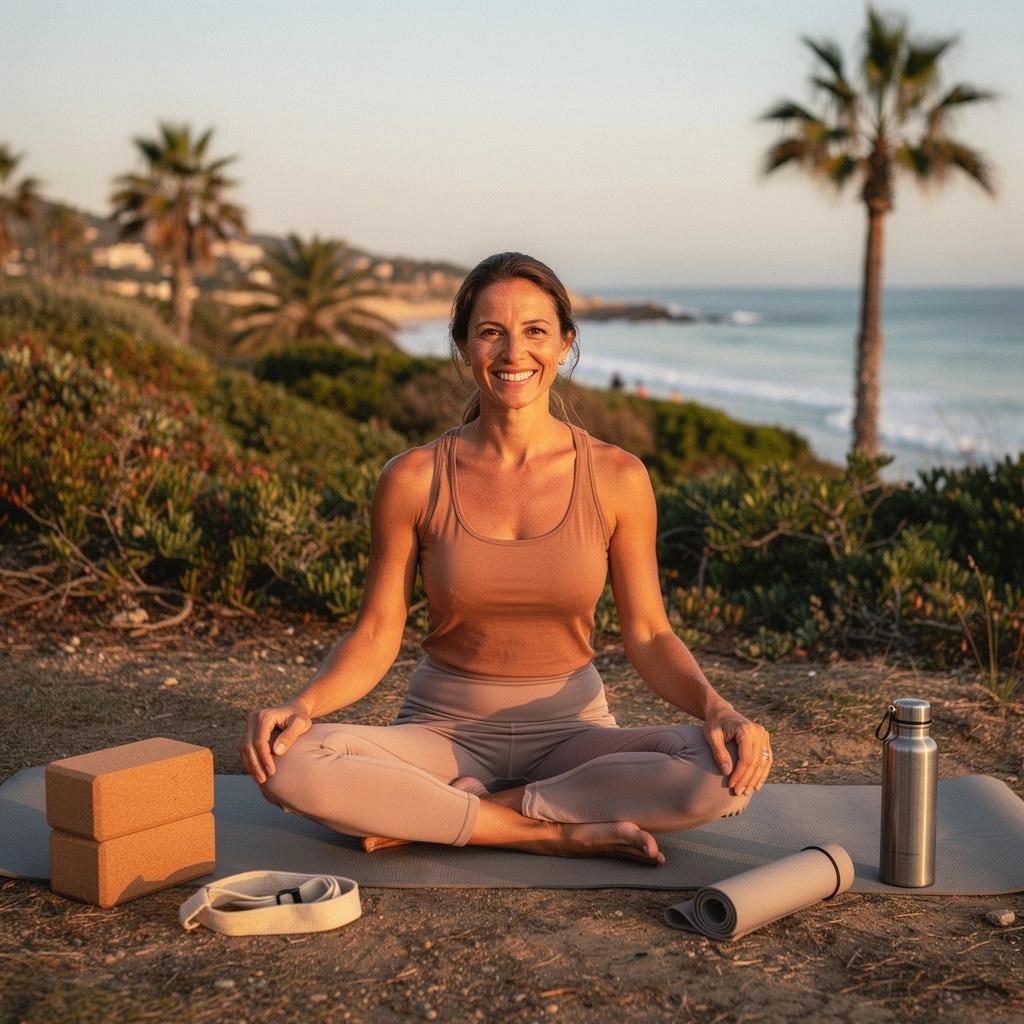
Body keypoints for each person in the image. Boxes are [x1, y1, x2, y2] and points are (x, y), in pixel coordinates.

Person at [240, 252, 772, 866]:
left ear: (565, 343)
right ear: (464, 346)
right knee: (289, 761)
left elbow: (650, 634)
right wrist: (302, 706)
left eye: (535, 331)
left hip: (573, 736)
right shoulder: (413, 478)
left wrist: (716, 707)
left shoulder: (618, 477)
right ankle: (548, 831)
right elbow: (378, 631)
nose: (514, 352)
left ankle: (455, 812)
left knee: (720, 771)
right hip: (442, 733)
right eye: (491, 332)